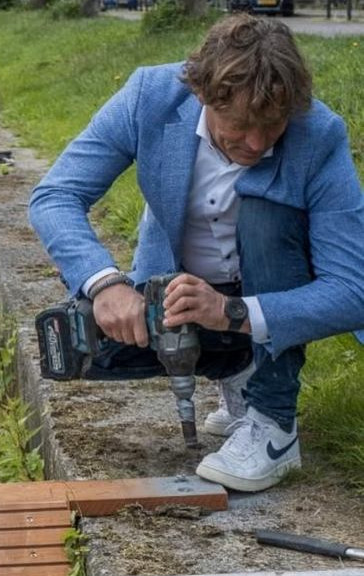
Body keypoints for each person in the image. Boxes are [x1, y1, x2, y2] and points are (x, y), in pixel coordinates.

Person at [29, 14, 364, 493]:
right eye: (242, 124)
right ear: (204, 95)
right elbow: (56, 195)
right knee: (76, 343)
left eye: (272, 126)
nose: (256, 142)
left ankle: (273, 424)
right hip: (178, 288)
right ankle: (237, 368)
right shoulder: (151, 96)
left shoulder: (319, 134)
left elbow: (354, 290)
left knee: (266, 214)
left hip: (266, 293)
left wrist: (228, 312)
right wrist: (105, 283)